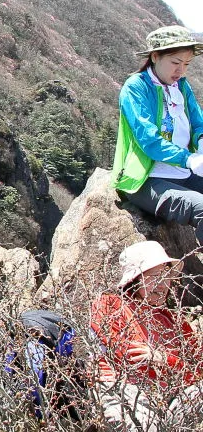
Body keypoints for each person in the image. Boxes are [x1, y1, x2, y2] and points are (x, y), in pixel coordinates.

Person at [90, 240, 203, 431]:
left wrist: (164, 358)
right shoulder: (111, 306)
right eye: (153, 277)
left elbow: (198, 368)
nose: (161, 283)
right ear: (135, 279)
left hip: (170, 397)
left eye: (166, 275)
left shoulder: (174, 321)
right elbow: (125, 353)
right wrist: (172, 365)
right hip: (124, 389)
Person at [113, 25, 203, 243]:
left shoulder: (181, 86)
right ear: (155, 56)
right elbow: (149, 140)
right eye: (175, 63)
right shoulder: (136, 87)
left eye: (186, 64)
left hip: (182, 173)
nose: (181, 70)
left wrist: (201, 142)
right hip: (146, 178)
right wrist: (188, 159)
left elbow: (198, 122)